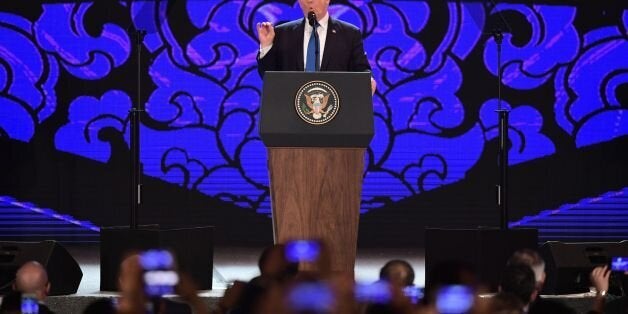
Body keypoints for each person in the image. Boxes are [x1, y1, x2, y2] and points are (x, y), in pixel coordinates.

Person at [256, 0, 376, 94]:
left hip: (335, 114)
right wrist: (266, 46)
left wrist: (367, 81)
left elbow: (361, 70)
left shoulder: (349, 34)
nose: (310, 1)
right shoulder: (282, 33)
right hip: (291, 115)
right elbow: (269, 78)